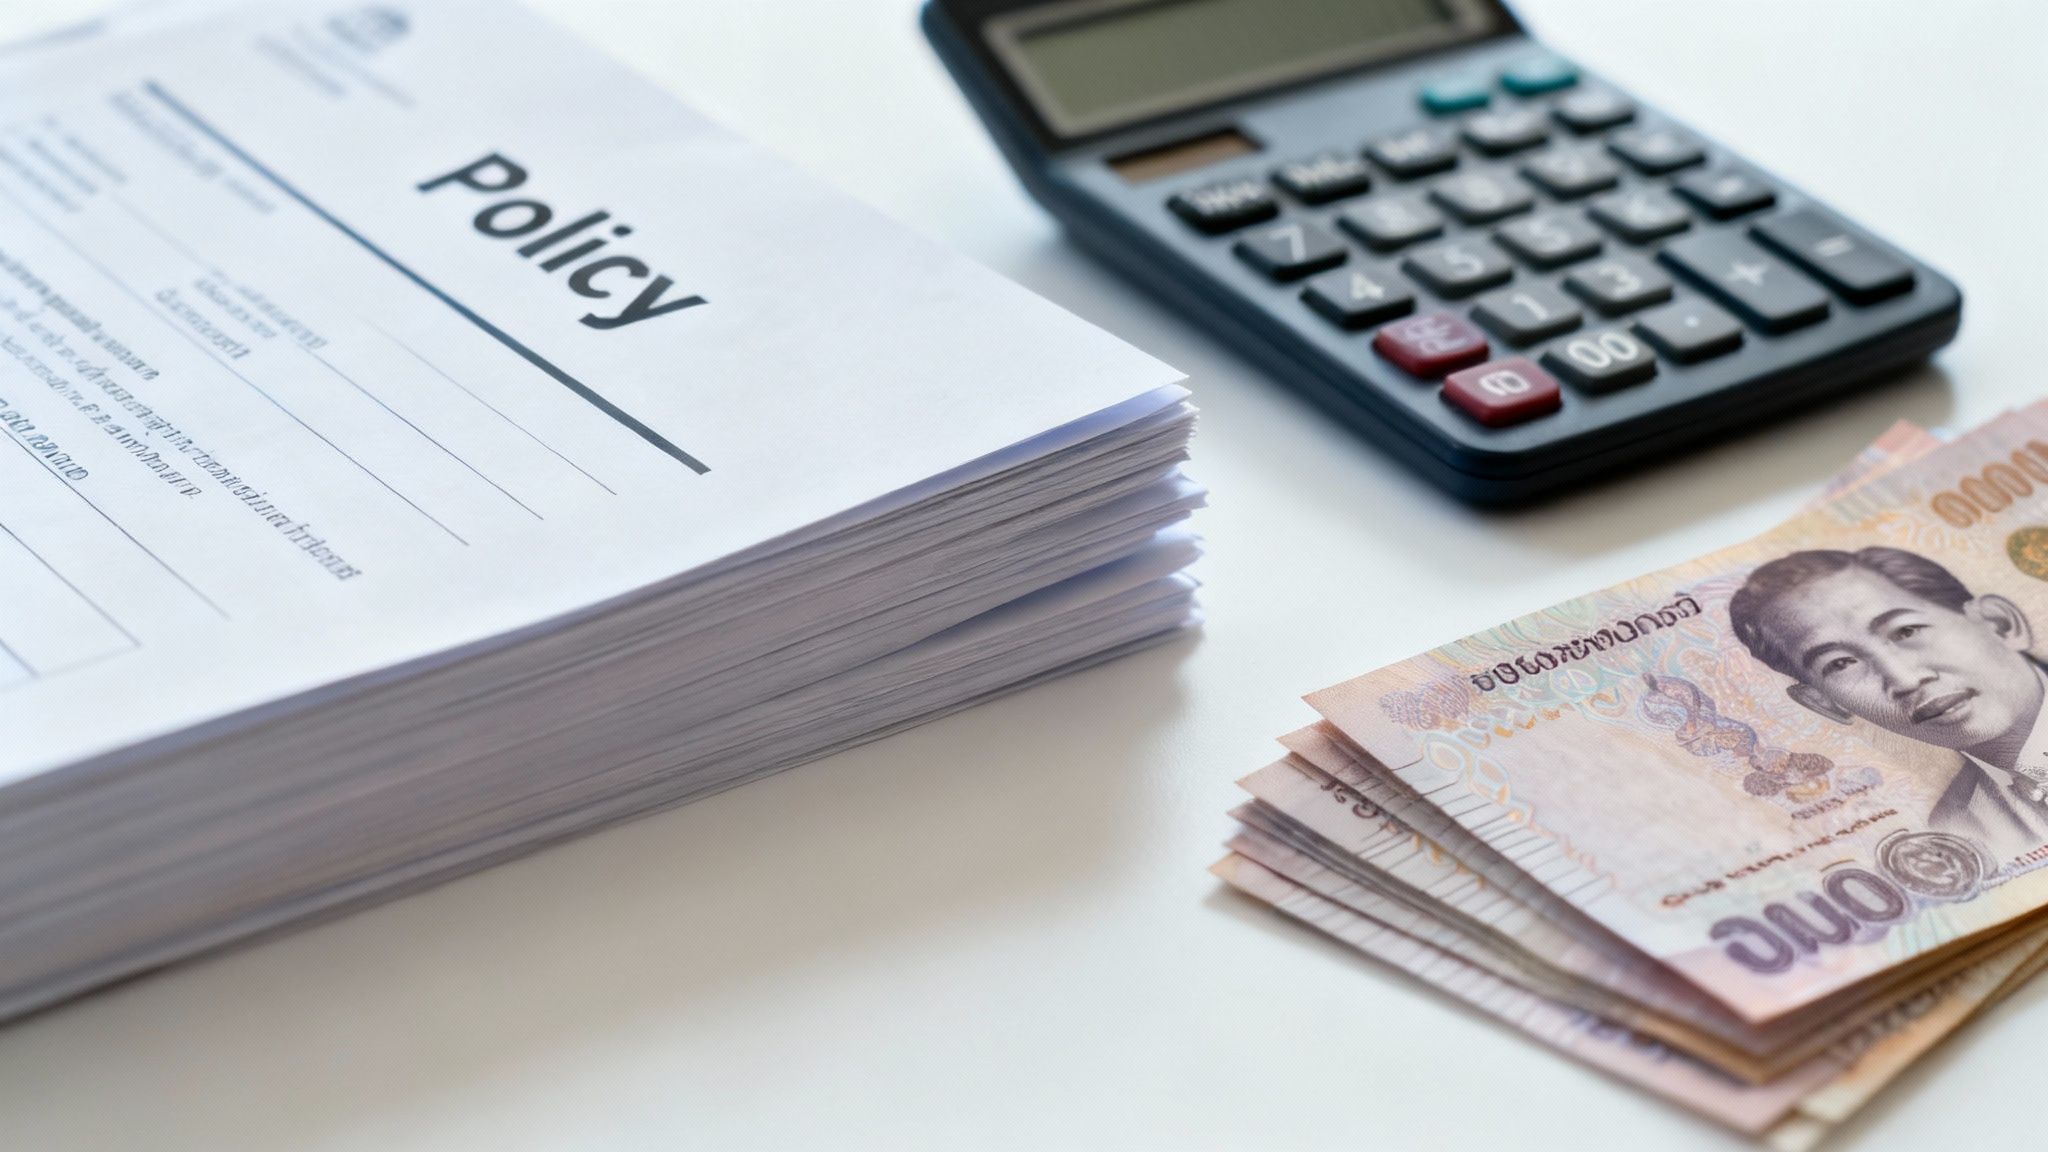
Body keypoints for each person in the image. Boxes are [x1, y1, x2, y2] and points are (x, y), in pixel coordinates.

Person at [1728, 546, 2048, 855]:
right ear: (1825, 703)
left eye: (1906, 631)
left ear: (1999, 623)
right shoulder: (1965, 833)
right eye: (1840, 663)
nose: (1905, 679)